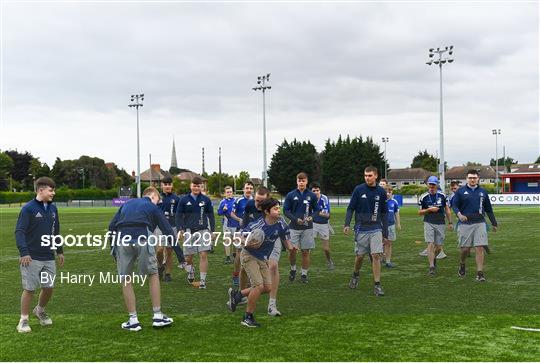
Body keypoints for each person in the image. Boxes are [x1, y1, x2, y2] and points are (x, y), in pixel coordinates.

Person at [109, 187, 184, 331]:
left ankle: (133, 320)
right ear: (153, 196)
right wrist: (180, 256)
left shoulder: (126, 204)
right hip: (143, 236)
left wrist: (113, 249)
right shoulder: (152, 206)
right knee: (153, 274)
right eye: (158, 200)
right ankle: (157, 316)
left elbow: (112, 226)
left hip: (122, 240)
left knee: (125, 278)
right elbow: (168, 231)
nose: (158, 203)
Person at [227, 198, 295, 327]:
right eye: (275, 208)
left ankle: (237, 295)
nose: (278, 210)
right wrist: (247, 242)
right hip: (249, 256)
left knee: (268, 287)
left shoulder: (280, 223)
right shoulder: (257, 225)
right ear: (267, 211)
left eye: (278, 208)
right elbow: (238, 236)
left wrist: (292, 247)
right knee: (258, 286)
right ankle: (247, 317)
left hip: (263, 258)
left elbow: (287, 241)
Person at [15, 177, 64, 333]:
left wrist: (59, 250)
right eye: (51, 190)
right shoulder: (28, 209)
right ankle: (23, 320)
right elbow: (19, 231)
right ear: (41, 190)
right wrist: (24, 252)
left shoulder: (53, 208)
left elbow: (55, 231)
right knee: (29, 289)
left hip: (48, 256)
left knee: (48, 287)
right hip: (31, 257)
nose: (53, 193)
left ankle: (40, 310)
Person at [344, 166, 388, 296]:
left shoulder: (381, 192)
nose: (367, 178)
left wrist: (385, 232)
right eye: (365, 175)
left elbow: (384, 213)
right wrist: (347, 224)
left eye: (369, 175)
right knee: (360, 257)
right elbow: (350, 208)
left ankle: (377, 285)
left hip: (376, 228)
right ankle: (355, 275)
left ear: (376, 176)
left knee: (376, 256)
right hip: (361, 228)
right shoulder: (359, 190)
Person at [452, 169, 498, 282]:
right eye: (470, 178)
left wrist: (494, 223)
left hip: (480, 222)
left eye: (474, 178)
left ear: (478, 179)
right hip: (465, 223)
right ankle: (462, 264)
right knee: (465, 250)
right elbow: (454, 205)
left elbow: (489, 209)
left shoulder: (483, 192)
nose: (472, 179)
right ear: (466, 179)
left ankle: (480, 273)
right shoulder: (460, 191)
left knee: (479, 247)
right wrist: (459, 215)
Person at [175, 177, 216, 289]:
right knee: (188, 257)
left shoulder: (206, 200)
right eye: (194, 185)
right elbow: (178, 215)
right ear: (190, 186)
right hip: (188, 231)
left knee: (203, 254)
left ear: (201, 187)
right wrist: (180, 229)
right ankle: (191, 272)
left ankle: (202, 280)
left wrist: (212, 230)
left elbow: (211, 216)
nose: (196, 187)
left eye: (198, 186)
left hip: (203, 230)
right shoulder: (183, 200)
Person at [283, 172, 319, 283]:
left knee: (305, 252)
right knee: (292, 251)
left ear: (307, 181)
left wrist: (311, 217)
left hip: (307, 228)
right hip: (293, 227)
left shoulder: (312, 195)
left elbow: (317, 210)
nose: (301, 183)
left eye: (303, 180)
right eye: (299, 180)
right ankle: (293, 269)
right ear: (296, 181)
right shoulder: (290, 195)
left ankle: (304, 274)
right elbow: (285, 210)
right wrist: (295, 219)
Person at [418, 176, 453, 275]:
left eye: (434, 184)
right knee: (430, 243)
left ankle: (433, 259)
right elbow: (419, 212)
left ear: (437, 184)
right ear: (428, 184)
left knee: (438, 247)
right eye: (430, 184)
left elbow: (447, 210)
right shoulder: (423, 196)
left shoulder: (442, 195)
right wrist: (429, 210)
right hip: (428, 222)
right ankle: (431, 267)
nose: (432, 186)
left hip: (440, 222)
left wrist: (450, 222)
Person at [229, 182, 254, 289]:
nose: (249, 189)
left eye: (251, 188)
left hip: (253, 231)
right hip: (241, 231)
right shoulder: (239, 200)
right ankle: (235, 275)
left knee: (252, 254)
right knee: (239, 253)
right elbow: (232, 213)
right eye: (247, 188)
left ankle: (249, 278)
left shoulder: (255, 201)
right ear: (243, 189)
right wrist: (239, 219)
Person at [156, 176, 180, 282]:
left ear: (172, 185)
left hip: (172, 227)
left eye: (169, 184)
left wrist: (180, 229)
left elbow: (180, 215)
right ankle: (160, 265)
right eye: (165, 184)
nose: (167, 186)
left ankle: (168, 273)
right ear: (161, 185)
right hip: (159, 228)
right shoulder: (156, 197)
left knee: (169, 251)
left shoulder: (176, 199)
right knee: (160, 250)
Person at [311, 182, 335, 270]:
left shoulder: (324, 198)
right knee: (308, 247)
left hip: (323, 225)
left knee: (326, 249)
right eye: (314, 191)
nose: (316, 192)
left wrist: (316, 212)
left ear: (320, 191)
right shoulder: (309, 199)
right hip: (312, 224)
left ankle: (329, 260)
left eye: (317, 190)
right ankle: (305, 269)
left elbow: (327, 215)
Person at [217, 186, 236, 264]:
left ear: (232, 192)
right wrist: (223, 210)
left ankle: (235, 254)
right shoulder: (222, 202)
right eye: (227, 192)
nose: (229, 193)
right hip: (226, 224)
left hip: (235, 223)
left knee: (235, 241)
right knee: (227, 240)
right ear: (225, 193)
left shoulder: (236, 201)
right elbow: (219, 213)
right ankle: (228, 257)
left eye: (230, 192)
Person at [383, 185, 401, 268]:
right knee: (381, 243)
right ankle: (378, 259)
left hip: (391, 226)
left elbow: (396, 213)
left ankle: (388, 261)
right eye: (386, 192)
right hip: (381, 226)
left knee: (389, 243)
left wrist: (398, 223)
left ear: (392, 192)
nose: (388, 193)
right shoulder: (381, 202)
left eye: (389, 192)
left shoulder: (394, 202)